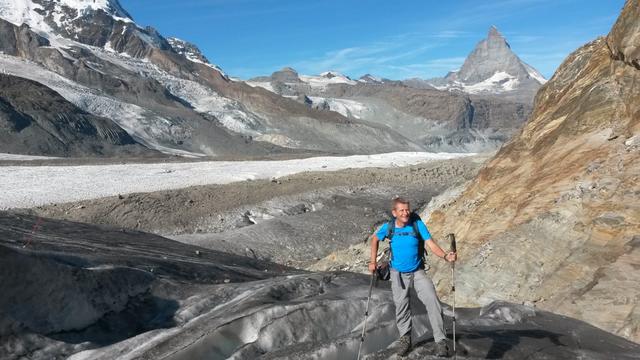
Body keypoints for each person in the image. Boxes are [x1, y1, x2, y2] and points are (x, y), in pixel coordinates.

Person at [368, 197, 457, 357]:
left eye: (407, 209)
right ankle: (405, 339)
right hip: (398, 273)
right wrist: (372, 262)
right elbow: (374, 239)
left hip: (417, 271)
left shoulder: (417, 224)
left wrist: (445, 256)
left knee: (432, 300)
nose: (405, 213)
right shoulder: (389, 227)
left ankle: (440, 341)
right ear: (394, 212)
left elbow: (430, 243)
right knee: (402, 306)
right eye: (401, 210)